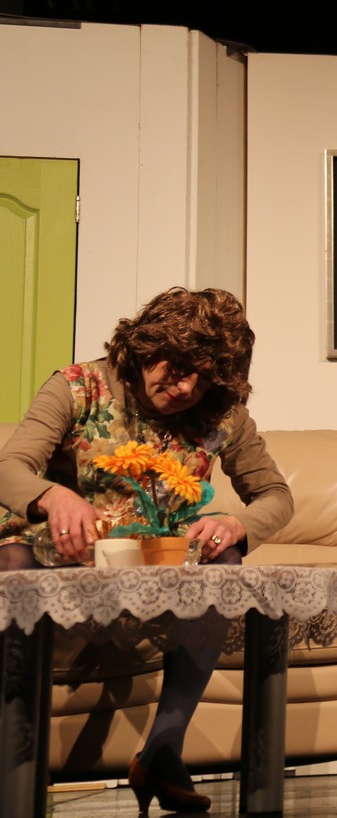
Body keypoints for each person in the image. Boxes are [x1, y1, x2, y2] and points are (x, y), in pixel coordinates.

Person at [0, 287, 294, 813]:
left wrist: (236, 523)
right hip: (59, 554)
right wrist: (54, 497)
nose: (186, 388)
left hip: (158, 567)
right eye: (178, 369)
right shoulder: (77, 387)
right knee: (12, 561)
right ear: (146, 346)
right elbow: (9, 467)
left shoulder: (222, 414)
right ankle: (15, 754)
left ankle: (162, 750)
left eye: (204, 378)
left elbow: (275, 495)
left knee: (223, 560)